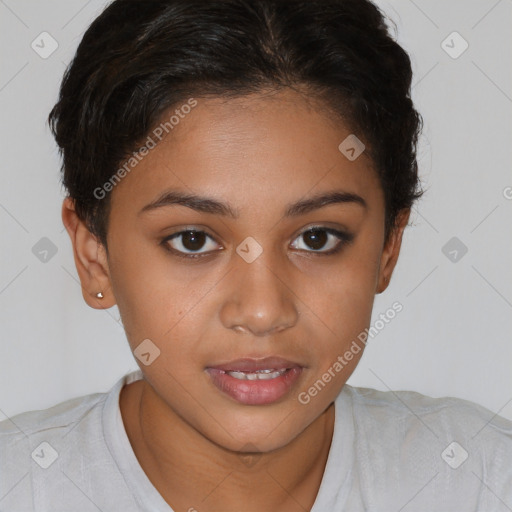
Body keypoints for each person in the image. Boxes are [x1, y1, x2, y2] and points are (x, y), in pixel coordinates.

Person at [1, 0, 511, 510]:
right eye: (193, 240)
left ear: (387, 247)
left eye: (316, 238)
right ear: (95, 256)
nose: (263, 311)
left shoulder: (481, 479)